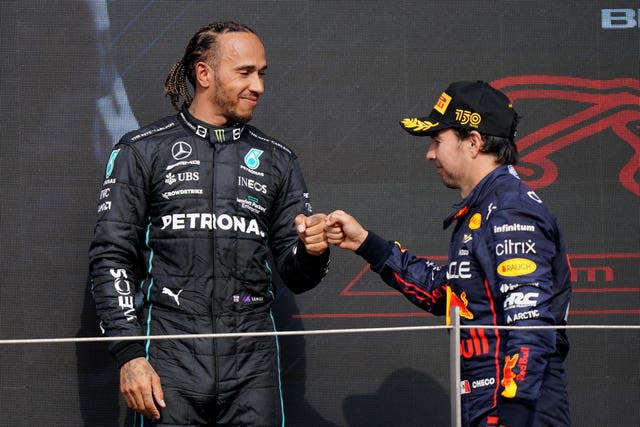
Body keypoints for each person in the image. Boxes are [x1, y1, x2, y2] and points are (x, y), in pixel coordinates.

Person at [89, 21, 330, 426]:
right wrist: (129, 354)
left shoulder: (278, 159)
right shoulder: (142, 149)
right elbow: (111, 256)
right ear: (204, 73)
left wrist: (313, 251)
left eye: (261, 73)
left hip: (252, 360)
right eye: (245, 72)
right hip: (169, 353)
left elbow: (298, 275)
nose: (259, 86)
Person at [325, 81, 571, 427]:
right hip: (489, 402)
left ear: (473, 142)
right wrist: (367, 243)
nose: (430, 154)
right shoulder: (487, 208)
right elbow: (447, 293)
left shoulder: (510, 211)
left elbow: (531, 321)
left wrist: (515, 409)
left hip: (516, 407)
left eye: (437, 141)